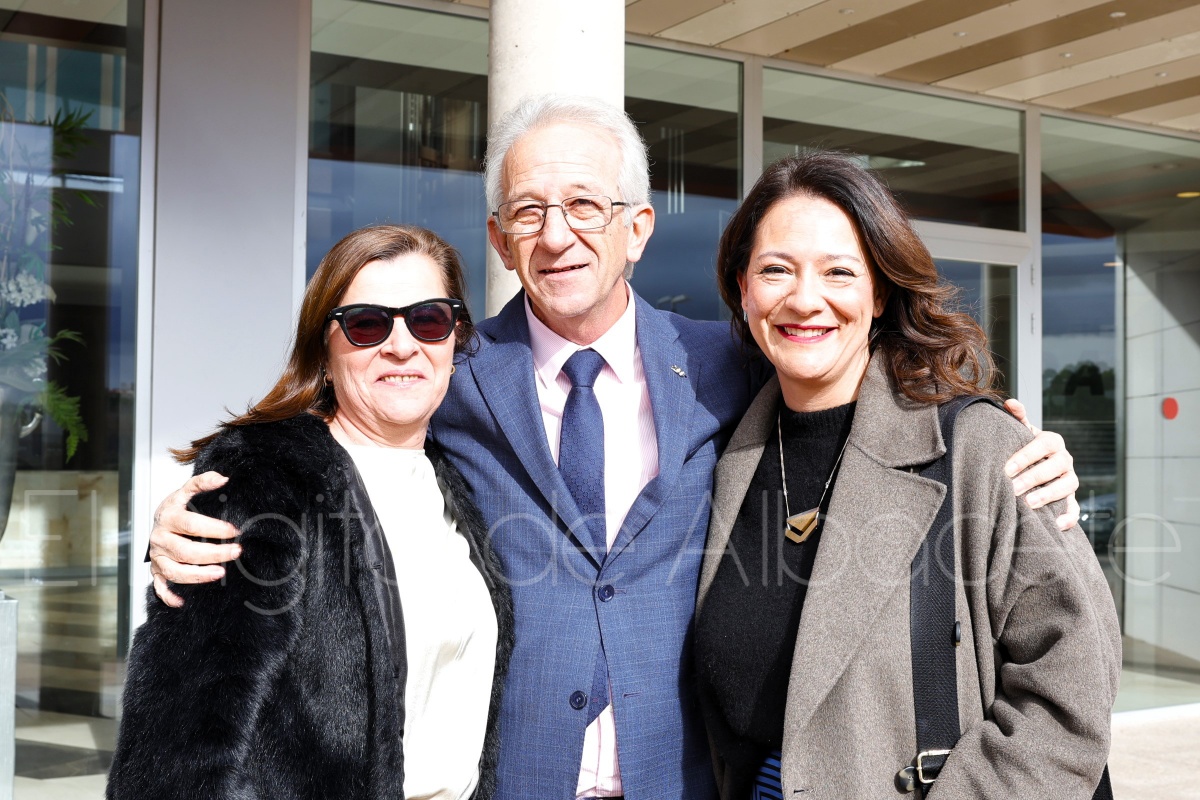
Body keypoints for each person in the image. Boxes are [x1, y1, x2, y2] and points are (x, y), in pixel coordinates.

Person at [144, 96, 1083, 800]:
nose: (557, 235)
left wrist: (1005, 438)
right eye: (529, 211)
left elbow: (848, 383)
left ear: (637, 228)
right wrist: (202, 513)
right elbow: (341, 432)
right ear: (500, 239)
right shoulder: (445, 370)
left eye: (586, 205)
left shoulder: (727, 367)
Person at [693, 151, 1121, 799]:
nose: (804, 299)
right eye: (776, 270)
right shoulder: (725, 451)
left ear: (879, 292)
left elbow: (1070, 694)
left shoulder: (981, 447)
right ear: (743, 288)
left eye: (839, 271)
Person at [107, 225, 513, 800]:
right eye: (367, 324)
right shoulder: (262, 478)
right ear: (323, 351)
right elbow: (180, 743)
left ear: (455, 340)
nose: (402, 346)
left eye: (428, 319)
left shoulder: (458, 479)